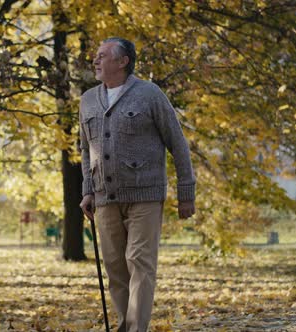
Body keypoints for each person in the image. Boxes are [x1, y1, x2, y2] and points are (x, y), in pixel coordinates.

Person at [79, 37, 196, 332]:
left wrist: (186, 193)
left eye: (102, 55)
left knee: (139, 262)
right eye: (96, 55)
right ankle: (126, 324)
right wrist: (87, 191)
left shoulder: (149, 94)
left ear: (122, 61)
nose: (96, 60)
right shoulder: (87, 100)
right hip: (105, 198)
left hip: (145, 196)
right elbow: (85, 149)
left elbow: (177, 143)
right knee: (116, 269)